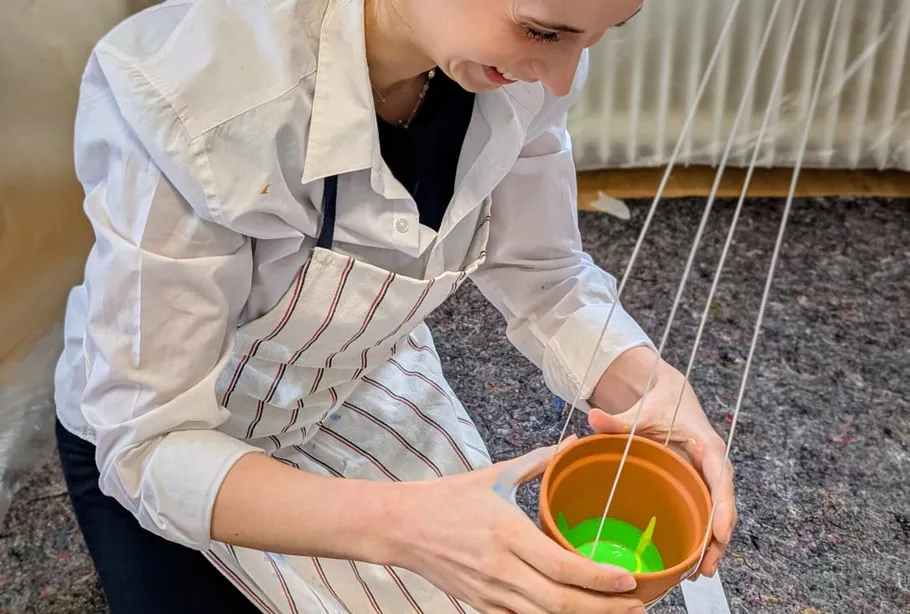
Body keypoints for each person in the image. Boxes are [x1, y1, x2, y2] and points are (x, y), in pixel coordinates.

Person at [53, 0, 737, 612]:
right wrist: (406, 527)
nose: (561, 79)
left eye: (598, 36)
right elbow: (149, 444)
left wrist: (654, 387)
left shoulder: (518, 73)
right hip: (174, 435)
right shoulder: (188, 100)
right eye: (541, 32)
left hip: (352, 373)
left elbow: (544, 274)